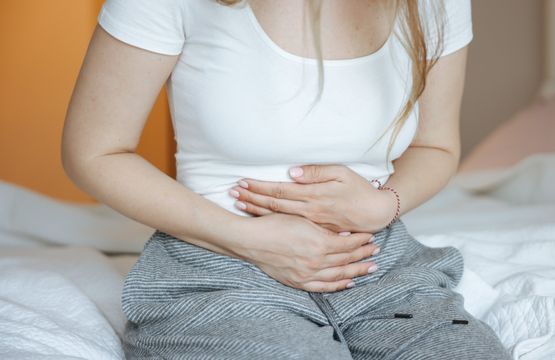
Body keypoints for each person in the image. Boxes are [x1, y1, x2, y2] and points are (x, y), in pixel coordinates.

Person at [61, 0, 512, 358]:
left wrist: (384, 204)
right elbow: (94, 152)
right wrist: (246, 238)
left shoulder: (432, 4)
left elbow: (435, 146)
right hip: (220, 268)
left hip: (378, 260)